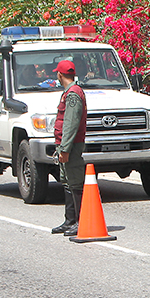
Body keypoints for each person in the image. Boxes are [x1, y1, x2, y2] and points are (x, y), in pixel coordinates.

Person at [51, 60, 87, 237]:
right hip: (65, 144)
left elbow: (71, 124)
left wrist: (64, 149)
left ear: (60, 75)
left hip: (71, 146)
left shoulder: (73, 94)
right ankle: (70, 220)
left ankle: (80, 221)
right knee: (66, 180)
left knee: (75, 181)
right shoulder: (70, 92)